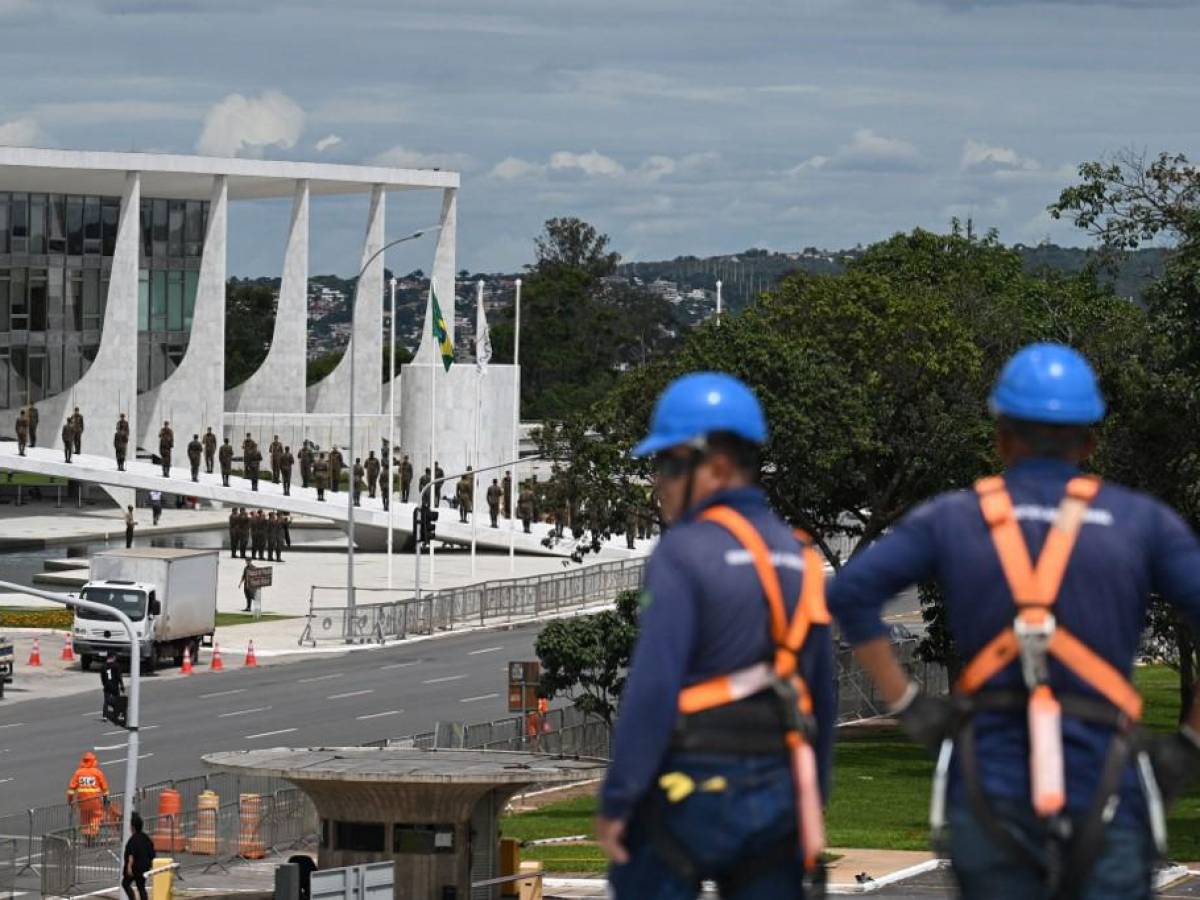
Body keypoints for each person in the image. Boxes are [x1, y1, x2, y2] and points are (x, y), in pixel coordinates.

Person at [827, 343, 1200, 900]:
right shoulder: (1139, 522)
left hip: (989, 786)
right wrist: (1190, 742)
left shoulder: (953, 518)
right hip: (1107, 785)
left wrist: (907, 705)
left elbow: (852, 595)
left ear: (1001, 436)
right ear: (1091, 439)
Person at [599, 372, 835, 899]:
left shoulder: (683, 552)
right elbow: (821, 692)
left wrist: (619, 799)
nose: (658, 482)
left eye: (669, 465)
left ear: (718, 467)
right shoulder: (802, 558)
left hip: (688, 786)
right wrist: (811, 798)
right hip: (776, 790)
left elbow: (653, 688)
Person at [66, 751, 110, 841]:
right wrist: (105, 801)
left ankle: (86, 834)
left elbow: (71, 790)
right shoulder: (97, 773)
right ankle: (92, 833)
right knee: (96, 816)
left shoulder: (78, 773)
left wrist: (70, 801)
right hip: (95, 801)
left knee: (85, 817)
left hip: (82, 801)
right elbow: (105, 789)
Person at [121, 811, 156, 900]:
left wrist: (129, 867)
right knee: (141, 887)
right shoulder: (146, 838)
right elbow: (152, 853)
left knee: (125, 883)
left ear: (132, 827)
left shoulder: (132, 840)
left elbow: (131, 855)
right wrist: (151, 865)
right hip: (144, 867)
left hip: (135, 867)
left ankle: (132, 898)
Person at [100, 650, 124, 722]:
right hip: (114, 686)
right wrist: (122, 685)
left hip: (107, 686)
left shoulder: (103, 666)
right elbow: (119, 676)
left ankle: (104, 716)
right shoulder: (116, 665)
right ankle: (118, 715)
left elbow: (102, 677)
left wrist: (104, 684)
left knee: (106, 701)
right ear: (113, 657)